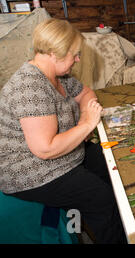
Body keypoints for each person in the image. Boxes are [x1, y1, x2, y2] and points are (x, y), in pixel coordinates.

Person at [0, 18, 126, 243]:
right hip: (30, 169)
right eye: (74, 54)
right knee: (101, 198)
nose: (77, 60)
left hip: (65, 154)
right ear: (55, 54)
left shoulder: (56, 76)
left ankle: (124, 224)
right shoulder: (30, 88)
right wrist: (86, 125)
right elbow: (45, 149)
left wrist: (85, 118)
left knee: (114, 163)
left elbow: (86, 93)